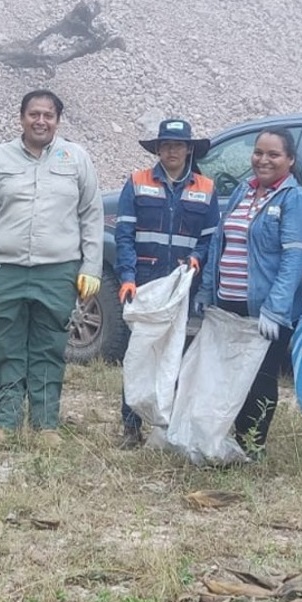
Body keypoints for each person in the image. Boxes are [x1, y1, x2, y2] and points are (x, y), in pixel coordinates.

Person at [0, 89, 104, 448]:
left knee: (49, 345)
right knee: (7, 343)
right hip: (6, 269)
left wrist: (91, 266)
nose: (41, 121)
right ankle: (6, 421)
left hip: (58, 270)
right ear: (21, 117)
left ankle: (46, 425)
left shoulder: (76, 158)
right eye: (34, 114)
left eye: (48, 115)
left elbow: (91, 215)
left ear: (57, 120)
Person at [195, 127, 302, 461]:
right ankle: (227, 440)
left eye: (273, 154)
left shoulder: (298, 200)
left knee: (259, 379)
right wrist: (208, 290)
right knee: (229, 376)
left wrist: (275, 309)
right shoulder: (242, 191)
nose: (263, 160)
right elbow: (221, 245)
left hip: (264, 310)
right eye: (258, 153)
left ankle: (253, 446)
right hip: (228, 304)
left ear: (290, 160)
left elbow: (295, 259)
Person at [114, 119, 220, 449]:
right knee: (139, 353)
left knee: (177, 355)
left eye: (178, 145)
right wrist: (128, 278)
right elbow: (124, 236)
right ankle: (130, 426)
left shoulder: (206, 188)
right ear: (157, 149)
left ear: (189, 149)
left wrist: (197, 261)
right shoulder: (137, 183)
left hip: (181, 288)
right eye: (165, 145)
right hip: (145, 284)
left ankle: (168, 424)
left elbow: (209, 240)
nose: (171, 150)